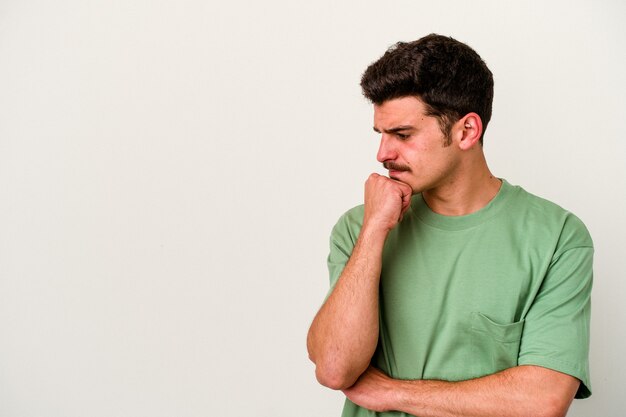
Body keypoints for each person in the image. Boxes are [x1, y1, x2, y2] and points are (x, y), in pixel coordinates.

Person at [306, 34, 593, 417]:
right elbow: (334, 367)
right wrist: (374, 231)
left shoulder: (557, 237)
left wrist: (392, 392)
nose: (383, 154)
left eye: (403, 135)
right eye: (381, 135)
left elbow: (541, 401)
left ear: (466, 131)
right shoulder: (359, 227)